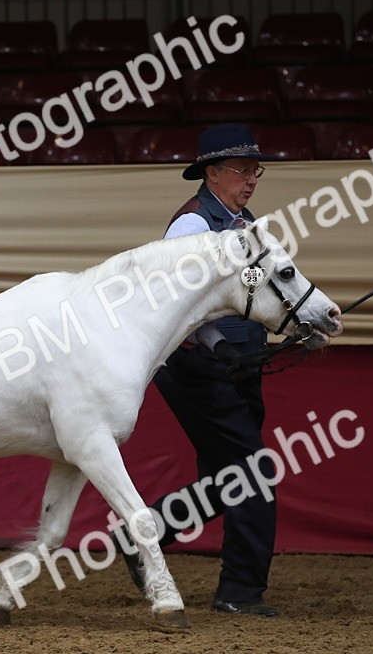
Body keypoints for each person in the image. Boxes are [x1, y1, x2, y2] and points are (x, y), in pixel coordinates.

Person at [115, 124, 280, 617]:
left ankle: (145, 532)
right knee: (254, 473)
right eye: (242, 170)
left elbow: (251, 288)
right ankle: (240, 590)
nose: (251, 179)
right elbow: (177, 307)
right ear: (212, 172)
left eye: (255, 170)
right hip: (199, 365)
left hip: (237, 363)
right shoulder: (191, 229)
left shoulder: (245, 222)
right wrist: (219, 346)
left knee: (226, 479)